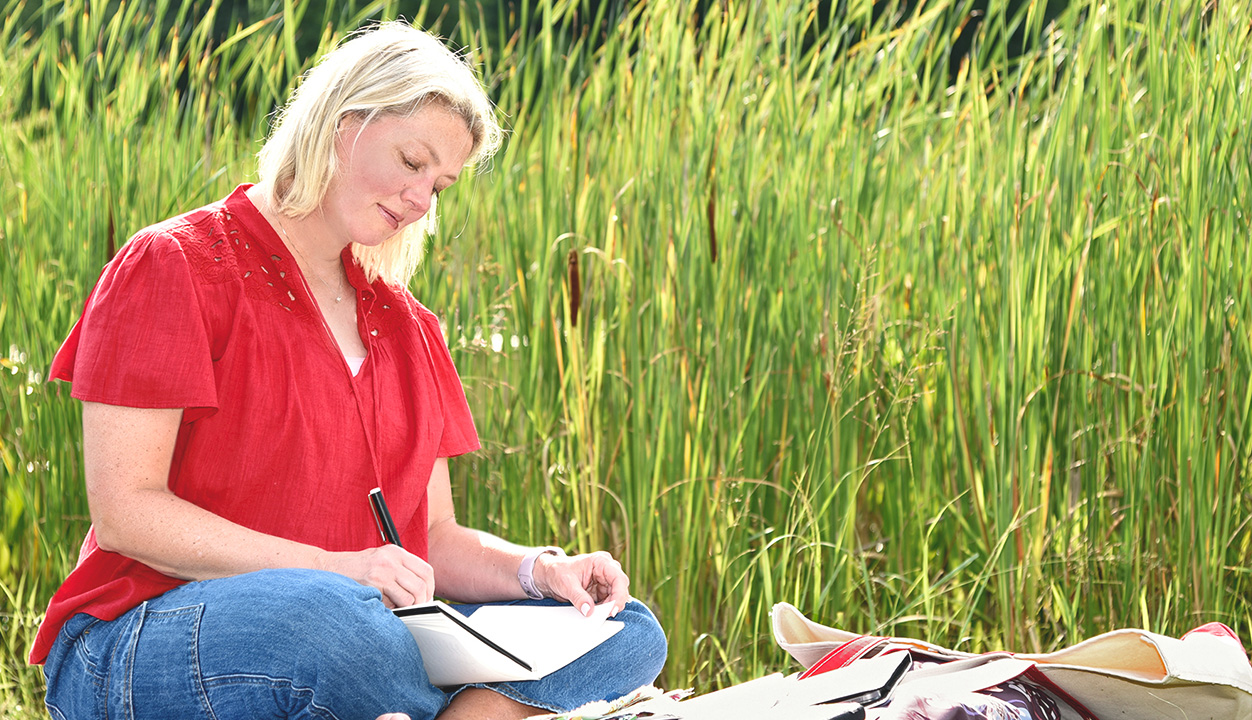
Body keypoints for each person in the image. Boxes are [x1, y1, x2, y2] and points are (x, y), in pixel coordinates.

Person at [30, 22, 667, 720]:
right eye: (412, 161)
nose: (423, 200)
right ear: (343, 123)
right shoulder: (176, 264)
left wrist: (541, 571)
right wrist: (337, 569)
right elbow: (126, 514)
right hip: (142, 636)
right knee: (337, 619)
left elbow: (433, 538)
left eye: (442, 184)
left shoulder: (409, 326)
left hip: (355, 633)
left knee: (623, 628)